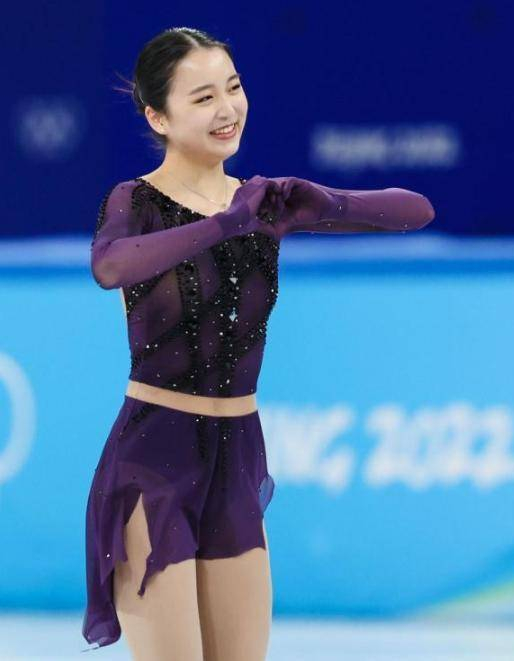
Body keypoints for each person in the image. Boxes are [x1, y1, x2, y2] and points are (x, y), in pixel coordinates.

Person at [81, 26, 435, 661]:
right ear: (158, 116)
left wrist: (324, 200)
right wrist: (226, 224)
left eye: (234, 88)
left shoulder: (263, 205)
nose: (227, 109)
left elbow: (416, 211)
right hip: (154, 455)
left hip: (238, 456)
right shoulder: (136, 201)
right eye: (203, 97)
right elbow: (111, 266)